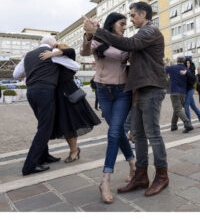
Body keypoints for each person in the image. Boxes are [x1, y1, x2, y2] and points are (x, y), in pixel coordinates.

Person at [83, 1, 169, 197]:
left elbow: (129, 44)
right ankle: (140, 175)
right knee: (138, 134)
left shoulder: (150, 31)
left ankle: (162, 176)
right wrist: (92, 34)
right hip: (138, 88)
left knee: (153, 133)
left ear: (144, 14)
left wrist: (97, 30)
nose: (130, 19)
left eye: (133, 15)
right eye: (129, 16)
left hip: (151, 87)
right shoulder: (141, 33)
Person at [81, 12, 136, 203]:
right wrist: (89, 34)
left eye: (126, 24)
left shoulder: (125, 42)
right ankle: (133, 163)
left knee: (114, 133)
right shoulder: (98, 40)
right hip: (103, 93)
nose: (124, 27)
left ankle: (105, 179)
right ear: (112, 24)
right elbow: (84, 52)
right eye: (122, 23)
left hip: (122, 92)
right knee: (117, 132)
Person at [13, 36, 80, 176]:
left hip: (31, 92)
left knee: (43, 125)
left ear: (39, 43)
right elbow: (76, 66)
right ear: (53, 44)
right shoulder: (51, 53)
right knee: (45, 128)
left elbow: (16, 74)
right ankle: (30, 165)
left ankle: (44, 156)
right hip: (45, 92)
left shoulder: (28, 55)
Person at [38, 44, 101, 163]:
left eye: (57, 50)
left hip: (68, 95)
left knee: (70, 124)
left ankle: (74, 151)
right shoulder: (55, 62)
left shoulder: (68, 60)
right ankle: (74, 150)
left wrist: (52, 52)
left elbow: (71, 50)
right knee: (65, 125)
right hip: (59, 95)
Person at [166, 57, 194, 133]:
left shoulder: (172, 68)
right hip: (183, 93)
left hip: (174, 91)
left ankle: (187, 123)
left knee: (177, 109)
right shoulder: (186, 70)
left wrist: (167, 65)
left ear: (177, 61)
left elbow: (163, 70)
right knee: (177, 109)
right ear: (183, 61)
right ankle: (174, 125)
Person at [183, 58, 200, 128]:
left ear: (190, 64)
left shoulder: (191, 71)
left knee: (186, 106)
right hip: (186, 90)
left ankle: (188, 124)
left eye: (189, 63)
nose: (187, 64)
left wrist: (186, 73)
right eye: (186, 63)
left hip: (190, 89)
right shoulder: (184, 70)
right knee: (193, 107)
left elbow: (193, 79)